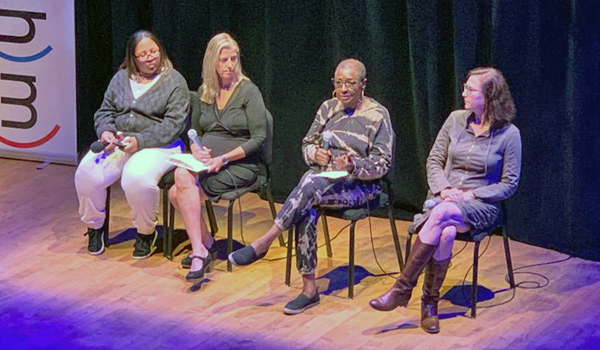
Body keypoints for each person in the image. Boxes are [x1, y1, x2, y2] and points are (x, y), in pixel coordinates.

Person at [229, 59, 394, 315]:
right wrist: (314, 154)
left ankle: (264, 242)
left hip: (359, 186)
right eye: (338, 83)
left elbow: (383, 164)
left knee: (308, 186)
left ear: (363, 85)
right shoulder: (328, 108)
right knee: (307, 204)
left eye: (350, 83)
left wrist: (353, 165)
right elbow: (307, 143)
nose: (344, 89)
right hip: (324, 179)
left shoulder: (378, 115)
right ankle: (308, 289)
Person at [369, 67, 521, 334]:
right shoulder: (455, 120)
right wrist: (442, 189)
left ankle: (402, 288)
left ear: (489, 96)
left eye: (470, 89)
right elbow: (434, 161)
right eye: (465, 87)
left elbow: (509, 184)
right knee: (446, 231)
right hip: (444, 200)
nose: (463, 93)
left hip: (480, 207)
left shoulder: (509, 135)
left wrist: (474, 193)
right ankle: (429, 305)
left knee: (442, 216)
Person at [75, 30, 189, 259]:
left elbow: (174, 125)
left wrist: (141, 141)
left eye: (154, 51)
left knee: (136, 178)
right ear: (133, 58)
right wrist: (106, 131)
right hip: (121, 140)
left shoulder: (174, 80)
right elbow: (105, 111)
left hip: (160, 144)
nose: (150, 58)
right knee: (87, 173)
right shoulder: (121, 78)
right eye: (143, 54)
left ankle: (146, 233)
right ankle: (95, 226)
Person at [168, 33, 268, 281]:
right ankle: (205, 242)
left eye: (233, 59)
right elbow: (197, 132)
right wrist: (196, 149)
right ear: (212, 62)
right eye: (224, 60)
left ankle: (199, 252)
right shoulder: (206, 92)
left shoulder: (248, 91)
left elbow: (258, 138)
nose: (230, 65)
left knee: (179, 185)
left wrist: (223, 159)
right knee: (175, 192)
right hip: (208, 164)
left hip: (240, 165)